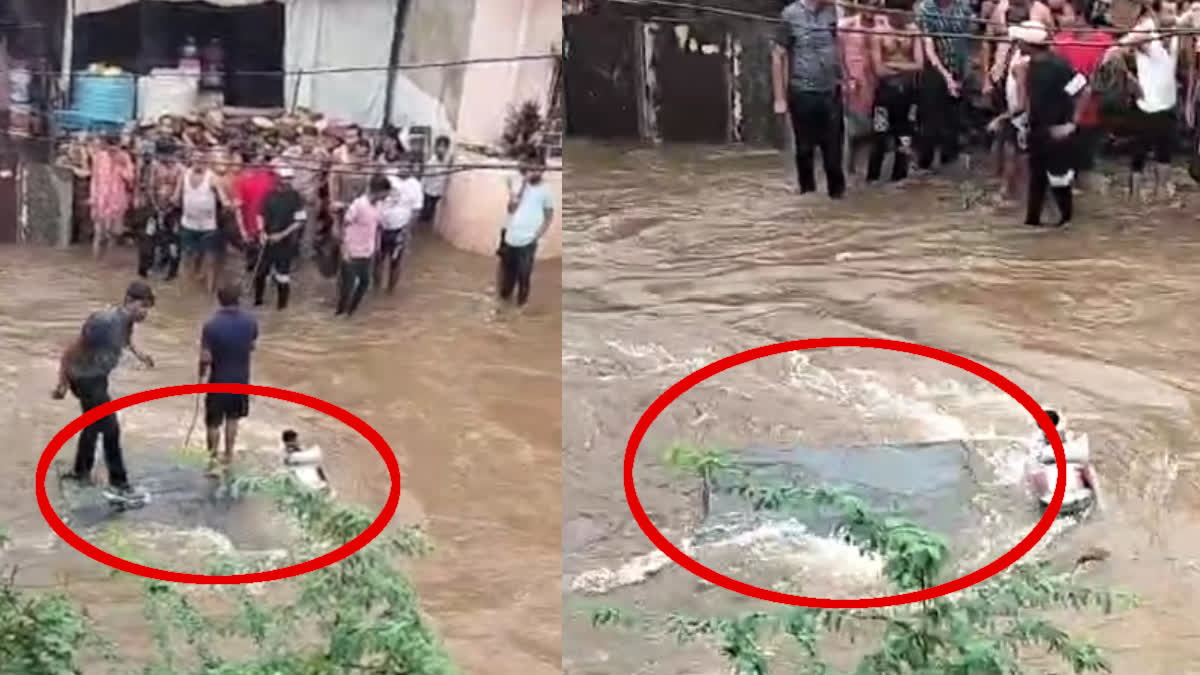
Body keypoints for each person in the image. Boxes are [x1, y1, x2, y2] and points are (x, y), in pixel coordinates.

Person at [51, 281, 156, 503]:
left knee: (92, 423)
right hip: (84, 379)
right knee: (111, 428)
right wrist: (62, 383)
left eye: (148, 308)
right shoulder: (104, 322)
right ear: (129, 301)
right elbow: (71, 350)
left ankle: (81, 471)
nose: (145, 313)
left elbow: (126, 341)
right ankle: (120, 484)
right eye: (143, 306)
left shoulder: (127, 321)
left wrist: (141, 355)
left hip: (98, 376)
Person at [1014, 20, 1088, 228]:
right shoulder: (1030, 66)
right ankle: (1033, 225)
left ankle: (1066, 223)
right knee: (1036, 181)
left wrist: (1072, 124)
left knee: (1059, 182)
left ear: (1029, 44)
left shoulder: (1057, 66)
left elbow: (1084, 89)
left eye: (1020, 40)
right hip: (1037, 131)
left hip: (1057, 132)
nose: (1016, 43)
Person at [771, 0, 846, 198]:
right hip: (802, 91)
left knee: (834, 153)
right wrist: (779, 98)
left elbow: (839, 45)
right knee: (804, 150)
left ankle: (837, 199)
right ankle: (807, 198)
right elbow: (778, 55)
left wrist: (847, 77)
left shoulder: (834, 11)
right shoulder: (790, 14)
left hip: (831, 91)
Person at [1052, 0, 1115, 192]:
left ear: (1080, 17)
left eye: (1064, 13)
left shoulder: (1106, 43)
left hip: (1093, 114)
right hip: (1065, 113)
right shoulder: (1060, 41)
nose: (1059, 18)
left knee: (1084, 167)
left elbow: (1111, 78)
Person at [199, 282, 258, 476]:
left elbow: (205, 357)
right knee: (233, 419)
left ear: (219, 300)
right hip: (241, 380)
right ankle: (229, 456)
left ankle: (212, 459)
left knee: (213, 423)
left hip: (218, 381)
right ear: (239, 299)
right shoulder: (250, 322)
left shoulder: (211, 325)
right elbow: (251, 346)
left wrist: (201, 373)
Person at [914, 0, 975, 173]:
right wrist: (946, 76)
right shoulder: (927, 8)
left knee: (954, 117)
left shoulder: (963, 8)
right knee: (930, 117)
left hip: (958, 66)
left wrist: (964, 71)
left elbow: (966, 41)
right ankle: (924, 161)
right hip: (934, 69)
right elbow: (929, 46)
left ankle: (949, 159)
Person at [866, 0, 923, 183]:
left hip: (908, 94)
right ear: (890, 12)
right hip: (885, 94)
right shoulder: (878, 33)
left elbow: (919, 64)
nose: (903, 16)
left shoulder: (913, 31)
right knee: (879, 139)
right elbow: (879, 69)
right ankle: (872, 180)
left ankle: (899, 181)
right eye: (899, 12)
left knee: (905, 139)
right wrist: (905, 66)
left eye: (906, 12)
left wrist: (893, 64)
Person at [498, 152, 555, 308]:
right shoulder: (519, 184)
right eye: (531, 167)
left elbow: (549, 215)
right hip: (511, 238)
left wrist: (537, 235)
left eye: (537, 167)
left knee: (524, 277)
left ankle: (520, 311)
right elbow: (511, 209)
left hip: (528, 242)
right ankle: (503, 309)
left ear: (543, 169)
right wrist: (523, 186)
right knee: (507, 280)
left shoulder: (546, 190)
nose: (533, 170)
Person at [335, 174, 390, 317]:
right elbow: (344, 227)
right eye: (385, 193)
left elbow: (376, 226)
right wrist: (344, 250)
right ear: (377, 191)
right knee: (348, 287)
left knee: (364, 283)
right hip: (351, 251)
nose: (386, 196)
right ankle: (340, 314)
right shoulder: (358, 205)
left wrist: (377, 246)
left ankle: (350, 313)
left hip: (367, 251)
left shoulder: (379, 206)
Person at [177, 151, 232, 294]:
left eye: (201, 159)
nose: (198, 162)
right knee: (187, 257)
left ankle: (209, 292)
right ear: (191, 160)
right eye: (195, 159)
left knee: (210, 260)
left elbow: (223, 197)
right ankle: (185, 291)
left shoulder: (212, 178)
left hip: (208, 226)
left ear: (206, 162)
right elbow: (177, 195)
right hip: (188, 223)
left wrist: (227, 204)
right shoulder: (184, 175)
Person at [254, 166, 306, 310]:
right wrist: (261, 232)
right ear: (277, 178)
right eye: (284, 178)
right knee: (260, 273)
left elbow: (299, 221)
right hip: (267, 240)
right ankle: (258, 302)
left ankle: (281, 308)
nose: (287, 181)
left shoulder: (296, 197)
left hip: (285, 243)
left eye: (289, 178)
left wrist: (282, 235)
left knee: (283, 276)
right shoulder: (268, 195)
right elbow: (260, 215)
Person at [377, 157, 424, 294]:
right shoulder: (388, 176)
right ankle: (376, 288)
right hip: (382, 226)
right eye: (401, 166)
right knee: (378, 259)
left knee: (395, 262)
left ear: (412, 169)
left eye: (407, 167)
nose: (403, 169)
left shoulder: (415, 185)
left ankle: (390, 291)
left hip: (400, 229)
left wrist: (406, 231)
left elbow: (416, 211)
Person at [88, 134, 135, 260]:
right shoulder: (99, 157)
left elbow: (130, 178)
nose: (112, 150)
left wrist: (121, 166)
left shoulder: (125, 158)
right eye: (109, 146)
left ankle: (108, 261)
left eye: (115, 146)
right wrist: (93, 198)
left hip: (117, 200)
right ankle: (96, 260)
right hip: (101, 200)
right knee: (99, 232)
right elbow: (94, 179)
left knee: (113, 233)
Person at [233, 144, 277, 274]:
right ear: (250, 159)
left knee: (267, 257)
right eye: (258, 155)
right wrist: (243, 231)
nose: (261, 157)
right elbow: (238, 209)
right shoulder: (241, 179)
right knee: (252, 260)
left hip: (269, 224)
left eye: (262, 155)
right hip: (250, 226)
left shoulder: (271, 173)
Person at [281, 429, 332, 493]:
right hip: (299, 476)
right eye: (295, 440)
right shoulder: (287, 452)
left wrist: (324, 480)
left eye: (296, 440)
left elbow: (316, 465)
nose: (297, 441)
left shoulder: (299, 450)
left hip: (305, 475)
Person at [422, 135, 453, 225]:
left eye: (444, 146)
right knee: (426, 211)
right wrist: (422, 190)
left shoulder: (448, 160)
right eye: (440, 146)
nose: (441, 149)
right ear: (436, 147)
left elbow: (447, 176)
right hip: (429, 191)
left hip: (439, 192)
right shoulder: (431, 162)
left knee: (432, 212)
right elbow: (425, 177)